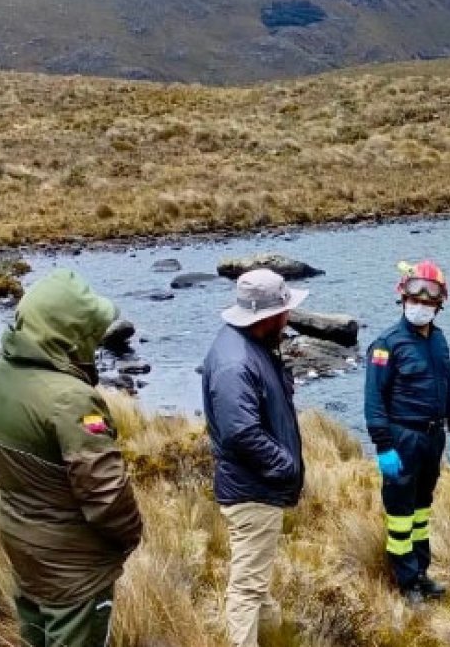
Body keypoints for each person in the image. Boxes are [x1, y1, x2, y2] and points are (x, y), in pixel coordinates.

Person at [0, 270, 143, 647]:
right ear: (70, 335)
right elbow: (106, 492)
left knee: (34, 634)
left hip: (21, 541)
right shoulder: (72, 399)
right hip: (74, 565)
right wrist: (129, 538)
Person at [202, 269, 308, 647]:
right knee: (247, 589)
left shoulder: (249, 346)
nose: (289, 317)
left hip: (254, 486)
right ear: (268, 316)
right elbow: (240, 432)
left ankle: (274, 635)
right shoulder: (237, 362)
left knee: (255, 581)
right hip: (253, 491)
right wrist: (285, 466)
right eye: (284, 311)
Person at [365, 260, 450, 602]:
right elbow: (374, 399)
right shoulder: (387, 344)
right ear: (403, 298)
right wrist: (383, 446)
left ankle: (421, 572)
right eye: (414, 297)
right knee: (400, 513)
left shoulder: (439, 340)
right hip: (402, 438)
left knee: (422, 508)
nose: (420, 304)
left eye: (428, 299)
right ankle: (406, 580)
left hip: (433, 437)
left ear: (439, 304)